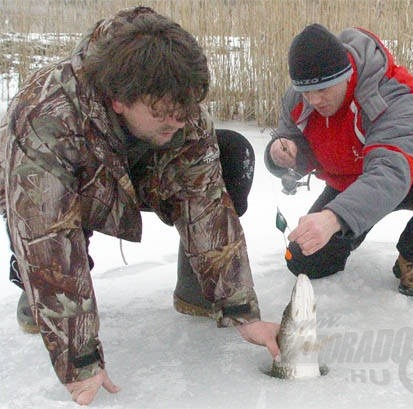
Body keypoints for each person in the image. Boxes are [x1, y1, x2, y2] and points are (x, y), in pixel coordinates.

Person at [0, 7, 279, 405]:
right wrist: (80, 362)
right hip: (49, 191)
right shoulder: (46, 120)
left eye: (184, 112)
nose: (178, 122)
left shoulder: (176, 106)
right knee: (49, 230)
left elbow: (204, 202)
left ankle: (198, 290)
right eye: (163, 114)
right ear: (118, 100)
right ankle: (31, 286)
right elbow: (48, 234)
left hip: (131, 174)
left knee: (230, 152)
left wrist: (241, 310)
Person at [265, 24, 413, 296]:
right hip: (350, 182)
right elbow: (294, 141)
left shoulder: (392, 94)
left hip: (412, 174)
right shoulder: (300, 99)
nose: (314, 99)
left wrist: (334, 218)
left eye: (323, 90)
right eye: (306, 91)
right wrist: (281, 155)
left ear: (346, 75)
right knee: (305, 259)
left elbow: (390, 173)